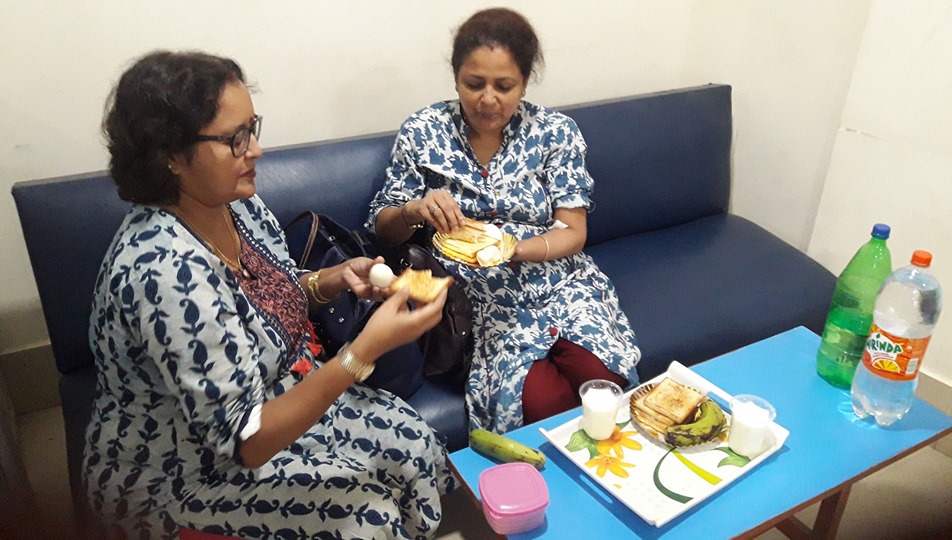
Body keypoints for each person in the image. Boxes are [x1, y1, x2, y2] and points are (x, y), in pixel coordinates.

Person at [85, 50, 455, 539]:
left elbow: (270, 296)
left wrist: (332, 278)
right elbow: (246, 441)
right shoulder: (165, 273)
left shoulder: (236, 205)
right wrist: (363, 351)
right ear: (170, 155)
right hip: (187, 471)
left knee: (413, 444)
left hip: (277, 393)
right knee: (368, 518)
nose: (256, 150)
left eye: (252, 128)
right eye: (234, 139)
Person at [368, 8, 642, 434]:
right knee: (540, 403)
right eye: (473, 83)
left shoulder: (555, 132)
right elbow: (382, 227)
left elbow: (573, 230)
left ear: (525, 82)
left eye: (504, 86)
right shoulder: (423, 131)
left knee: (604, 380)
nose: (487, 99)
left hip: (558, 280)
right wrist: (413, 209)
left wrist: (511, 250)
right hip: (477, 300)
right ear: (455, 78)